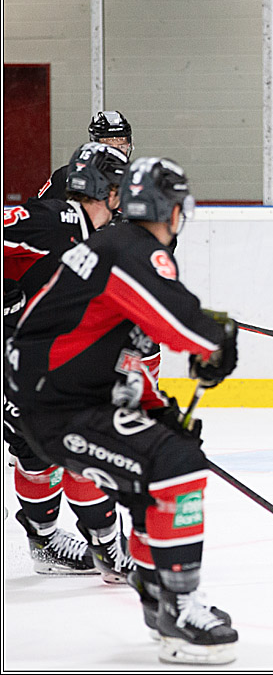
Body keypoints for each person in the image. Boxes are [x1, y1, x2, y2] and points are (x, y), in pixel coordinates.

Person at [5, 157, 240, 664]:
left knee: (154, 473)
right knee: (176, 464)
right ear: (171, 210)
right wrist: (217, 338)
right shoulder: (130, 250)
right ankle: (179, 610)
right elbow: (183, 325)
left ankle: (159, 598)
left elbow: (122, 355)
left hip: (63, 401)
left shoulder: (113, 246)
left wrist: (154, 408)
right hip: (57, 411)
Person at [4, 142, 132, 581]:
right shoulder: (53, 219)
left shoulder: (96, 236)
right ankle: (107, 550)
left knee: (38, 454)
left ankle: (46, 543)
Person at [37, 111, 134, 201]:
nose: (115, 153)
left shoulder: (137, 179)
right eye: (108, 147)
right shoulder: (68, 175)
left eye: (121, 146)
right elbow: (39, 207)